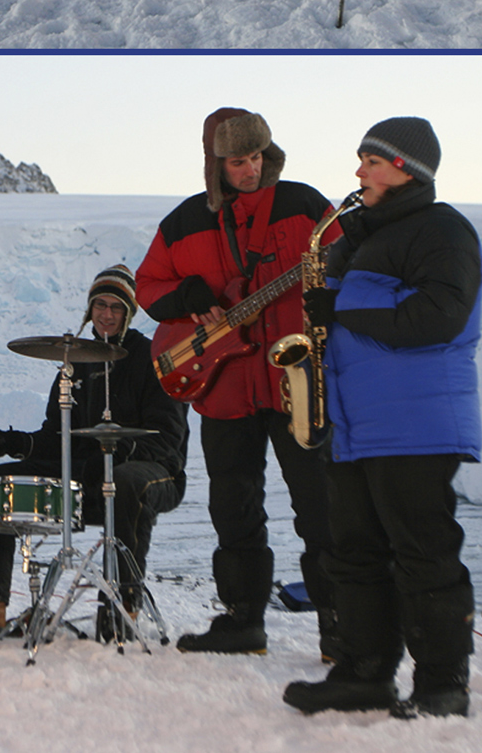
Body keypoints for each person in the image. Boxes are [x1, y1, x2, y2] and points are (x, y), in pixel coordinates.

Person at [282, 119, 482, 720]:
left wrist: (340, 304)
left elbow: (438, 316)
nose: (359, 171)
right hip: (354, 425)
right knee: (354, 554)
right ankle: (363, 672)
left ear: (406, 167)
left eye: (371, 160)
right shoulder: (353, 238)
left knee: (424, 553)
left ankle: (443, 684)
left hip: (415, 425)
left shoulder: (444, 229)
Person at [136, 108, 339, 655]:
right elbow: (148, 286)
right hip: (224, 387)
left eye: (255, 159)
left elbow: (349, 261)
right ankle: (244, 621)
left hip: (294, 383)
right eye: (236, 162)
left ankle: (339, 630)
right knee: (233, 508)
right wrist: (189, 299)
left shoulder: (303, 204)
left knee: (320, 506)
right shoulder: (183, 222)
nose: (249, 171)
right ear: (215, 163)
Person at [0, 266, 188, 639]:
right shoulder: (76, 361)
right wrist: (15, 442)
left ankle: (121, 606)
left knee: (127, 481)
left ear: (130, 312)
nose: (106, 314)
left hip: (155, 472)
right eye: (99, 304)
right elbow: (57, 437)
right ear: (89, 309)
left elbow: (168, 438)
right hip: (88, 471)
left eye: (116, 307)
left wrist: (121, 451)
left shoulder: (151, 358)